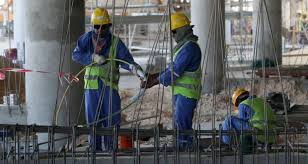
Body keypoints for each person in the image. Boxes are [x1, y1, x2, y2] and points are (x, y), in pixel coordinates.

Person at [72, 8, 144, 151]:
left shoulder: (116, 43)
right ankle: (95, 150)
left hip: (109, 88)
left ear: (108, 26)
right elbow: (76, 55)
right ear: (92, 26)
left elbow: (126, 60)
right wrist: (91, 57)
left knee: (111, 122)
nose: (99, 30)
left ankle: (111, 151)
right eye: (96, 27)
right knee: (94, 122)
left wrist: (135, 68)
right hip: (92, 89)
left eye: (103, 27)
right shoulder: (86, 39)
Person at [141, 12, 202, 150]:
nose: (173, 35)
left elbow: (174, 73)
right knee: (178, 126)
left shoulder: (190, 48)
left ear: (182, 30)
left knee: (182, 126)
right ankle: (182, 150)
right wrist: (154, 75)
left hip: (187, 94)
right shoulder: (183, 47)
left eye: (174, 32)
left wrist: (153, 82)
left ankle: (186, 153)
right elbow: (171, 69)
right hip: (180, 93)